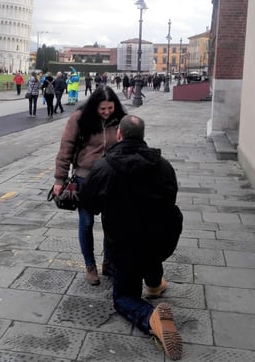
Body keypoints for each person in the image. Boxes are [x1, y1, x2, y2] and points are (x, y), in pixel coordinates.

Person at [80, 115, 183, 360]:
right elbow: (171, 200)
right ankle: (156, 282)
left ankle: (151, 318)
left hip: (124, 247)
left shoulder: (104, 167)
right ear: (143, 135)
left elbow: (89, 204)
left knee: (124, 297)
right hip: (159, 241)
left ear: (119, 135)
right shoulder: (164, 166)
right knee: (150, 250)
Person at [53, 86, 127, 285]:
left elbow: (128, 146)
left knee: (111, 224)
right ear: (94, 106)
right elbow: (66, 148)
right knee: (86, 223)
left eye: (110, 108)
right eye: (102, 109)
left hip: (112, 180)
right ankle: (90, 266)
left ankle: (108, 263)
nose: (106, 112)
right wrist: (60, 179)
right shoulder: (79, 118)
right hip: (85, 179)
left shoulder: (120, 119)